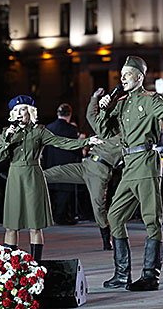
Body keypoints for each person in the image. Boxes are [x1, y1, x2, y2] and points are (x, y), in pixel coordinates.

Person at [97, 55, 163, 291]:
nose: (122, 78)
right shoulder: (121, 102)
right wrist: (103, 109)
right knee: (114, 216)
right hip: (129, 166)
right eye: (121, 74)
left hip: (145, 162)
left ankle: (150, 276)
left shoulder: (150, 99)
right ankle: (122, 274)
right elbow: (104, 130)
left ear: (139, 77)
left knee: (152, 219)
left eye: (127, 74)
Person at [0, 95, 102, 261]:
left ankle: (35, 264)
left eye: (22, 109)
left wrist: (87, 142)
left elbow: (62, 142)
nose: (19, 113)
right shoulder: (8, 132)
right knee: (11, 226)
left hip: (33, 177)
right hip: (15, 178)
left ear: (30, 112)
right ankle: (9, 265)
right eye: (15, 110)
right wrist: (7, 139)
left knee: (35, 226)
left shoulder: (40, 132)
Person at [44, 88, 123, 251]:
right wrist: (94, 97)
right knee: (54, 172)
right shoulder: (104, 129)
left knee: (98, 208)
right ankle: (21, 176)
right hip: (86, 165)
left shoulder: (126, 137)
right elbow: (91, 116)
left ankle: (106, 239)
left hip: (100, 172)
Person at [43, 103, 82, 225]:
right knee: (64, 193)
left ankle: (51, 216)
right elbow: (75, 147)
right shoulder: (71, 129)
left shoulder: (49, 127)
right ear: (69, 114)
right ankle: (62, 217)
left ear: (57, 113)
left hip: (51, 163)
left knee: (53, 192)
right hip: (66, 165)